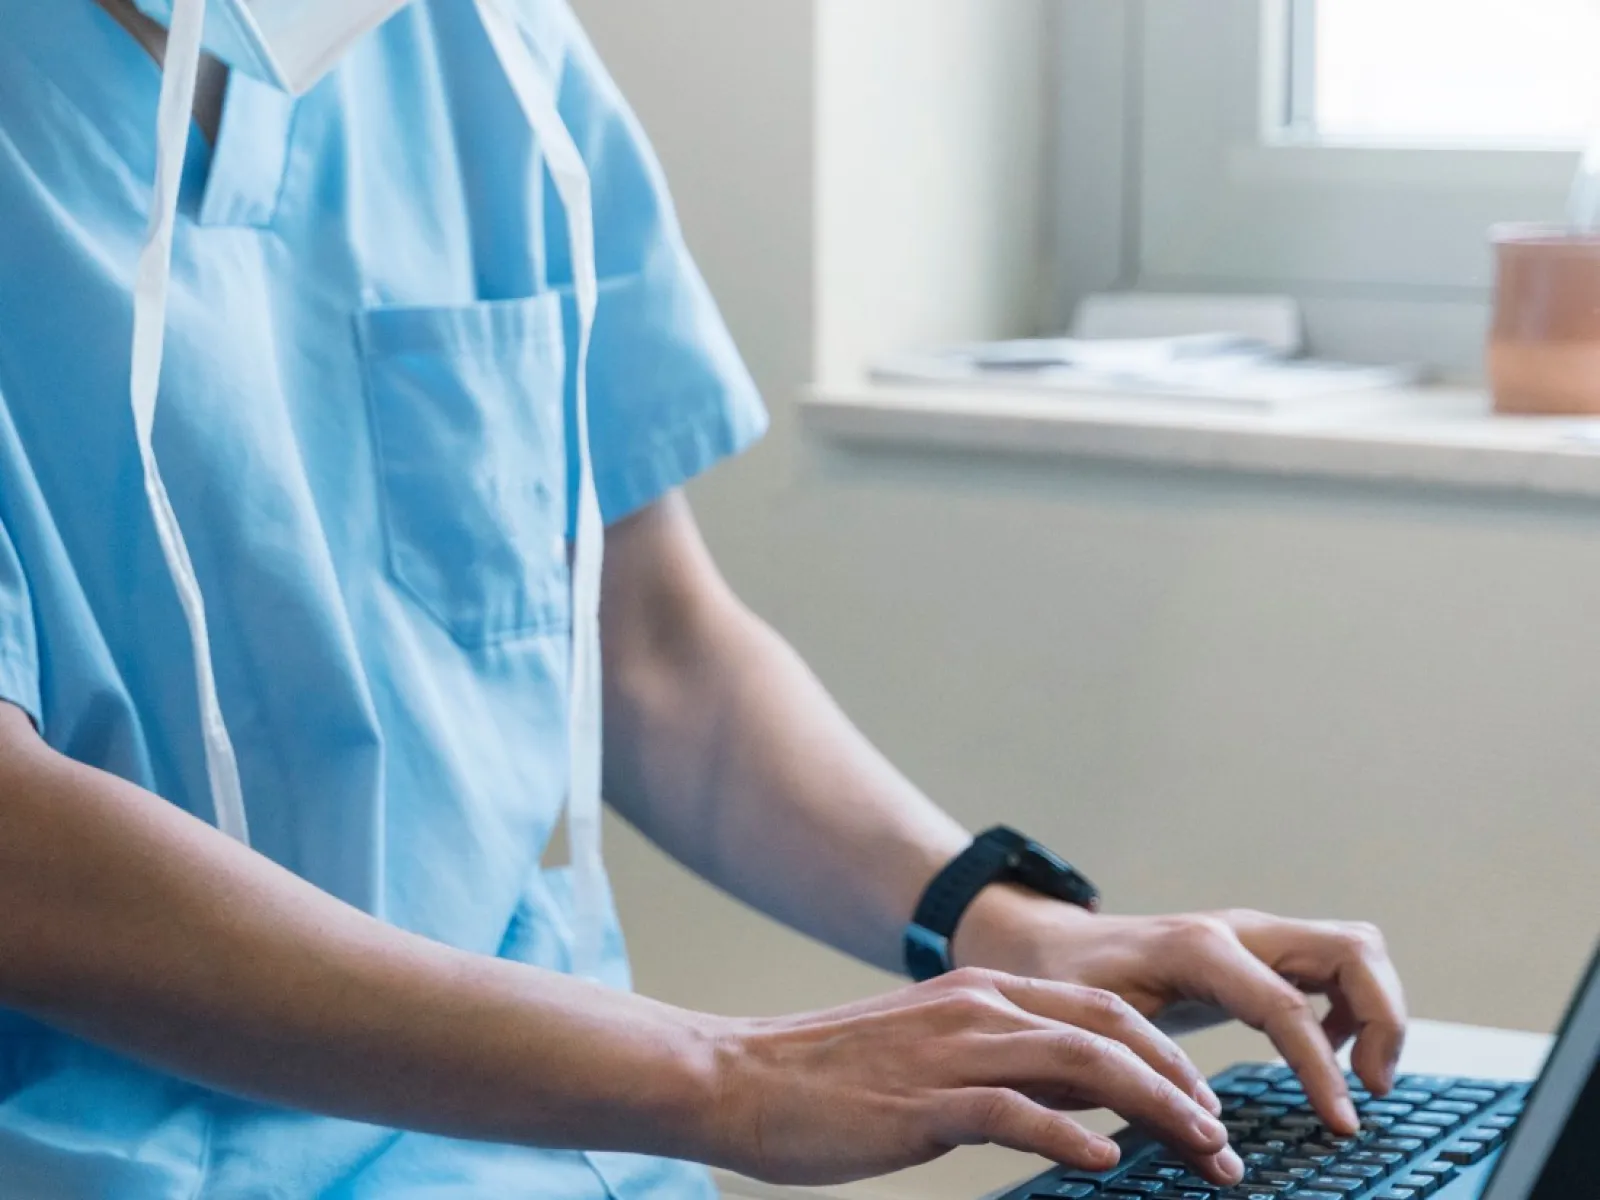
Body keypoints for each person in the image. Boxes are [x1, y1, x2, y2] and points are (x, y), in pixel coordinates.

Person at [0, 0, 1407, 1196]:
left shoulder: (473, 44)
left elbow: (652, 647)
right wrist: (728, 1074)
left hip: (571, 1156)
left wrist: (1010, 922)